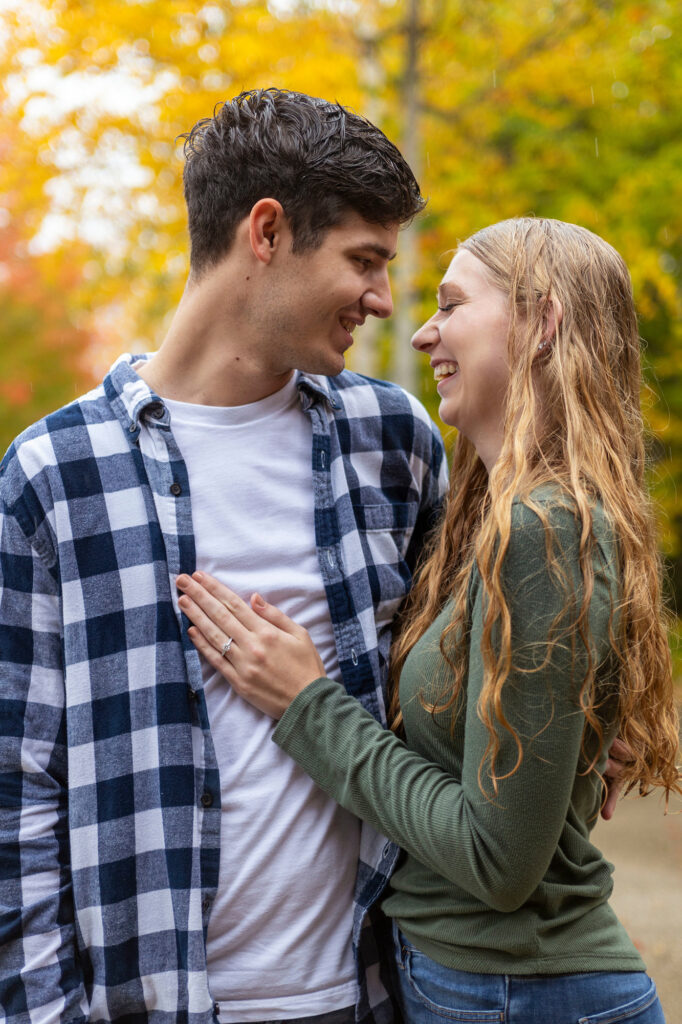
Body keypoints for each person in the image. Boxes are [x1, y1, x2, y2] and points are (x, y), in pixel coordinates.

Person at [0, 89, 448, 1024]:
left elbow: (467, 674)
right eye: (364, 260)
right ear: (269, 231)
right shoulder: (54, 475)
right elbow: (16, 794)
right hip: (151, 1001)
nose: (382, 299)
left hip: (374, 992)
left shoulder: (393, 441)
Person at [177, 217, 682, 1024]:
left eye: (451, 305)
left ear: (543, 323)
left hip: (523, 993)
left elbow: (500, 862)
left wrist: (307, 708)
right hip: (487, 987)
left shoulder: (543, 529)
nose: (420, 332)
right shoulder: (500, 519)